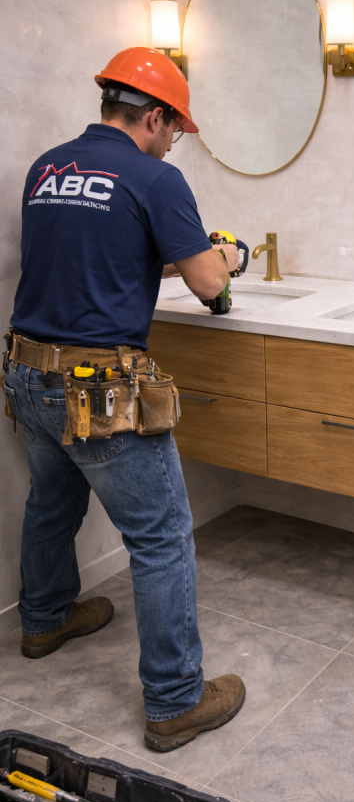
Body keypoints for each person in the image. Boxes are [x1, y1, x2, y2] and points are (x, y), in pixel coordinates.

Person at [4, 47, 245, 752]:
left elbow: (100, 249)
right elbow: (206, 284)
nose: (175, 143)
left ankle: (45, 620)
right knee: (162, 536)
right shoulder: (154, 177)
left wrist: (176, 251)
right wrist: (223, 256)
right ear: (152, 115)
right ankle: (174, 702)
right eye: (175, 130)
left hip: (28, 373)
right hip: (101, 389)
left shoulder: (48, 167)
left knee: (51, 503)